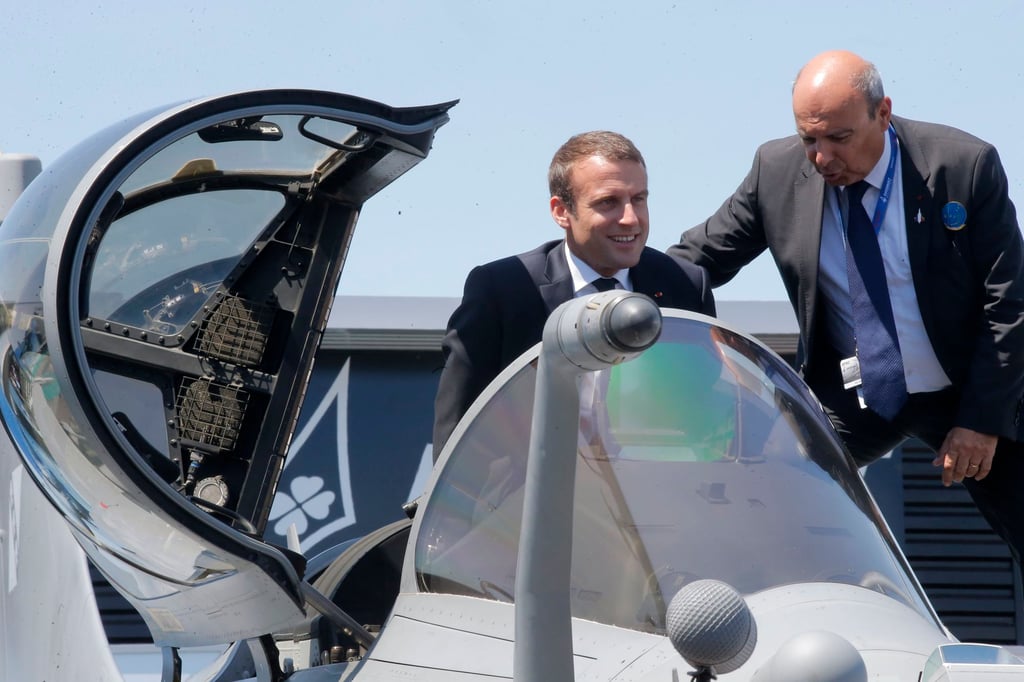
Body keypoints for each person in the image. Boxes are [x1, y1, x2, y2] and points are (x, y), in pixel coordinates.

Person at [668, 50, 1024, 569]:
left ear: (883, 114)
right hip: (856, 397)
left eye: (838, 138)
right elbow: (697, 262)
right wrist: (615, 289)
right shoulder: (775, 171)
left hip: (971, 387)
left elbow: (1009, 301)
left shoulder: (963, 166)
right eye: (809, 138)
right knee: (763, 495)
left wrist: (981, 422)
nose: (821, 157)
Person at [433, 130, 716, 460]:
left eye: (638, 199)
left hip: (651, 497)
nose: (630, 218)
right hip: (524, 503)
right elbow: (459, 425)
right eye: (608, 202)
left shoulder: (684, 285)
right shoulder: (504, 290)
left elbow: (702, 415)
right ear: (561, 211)